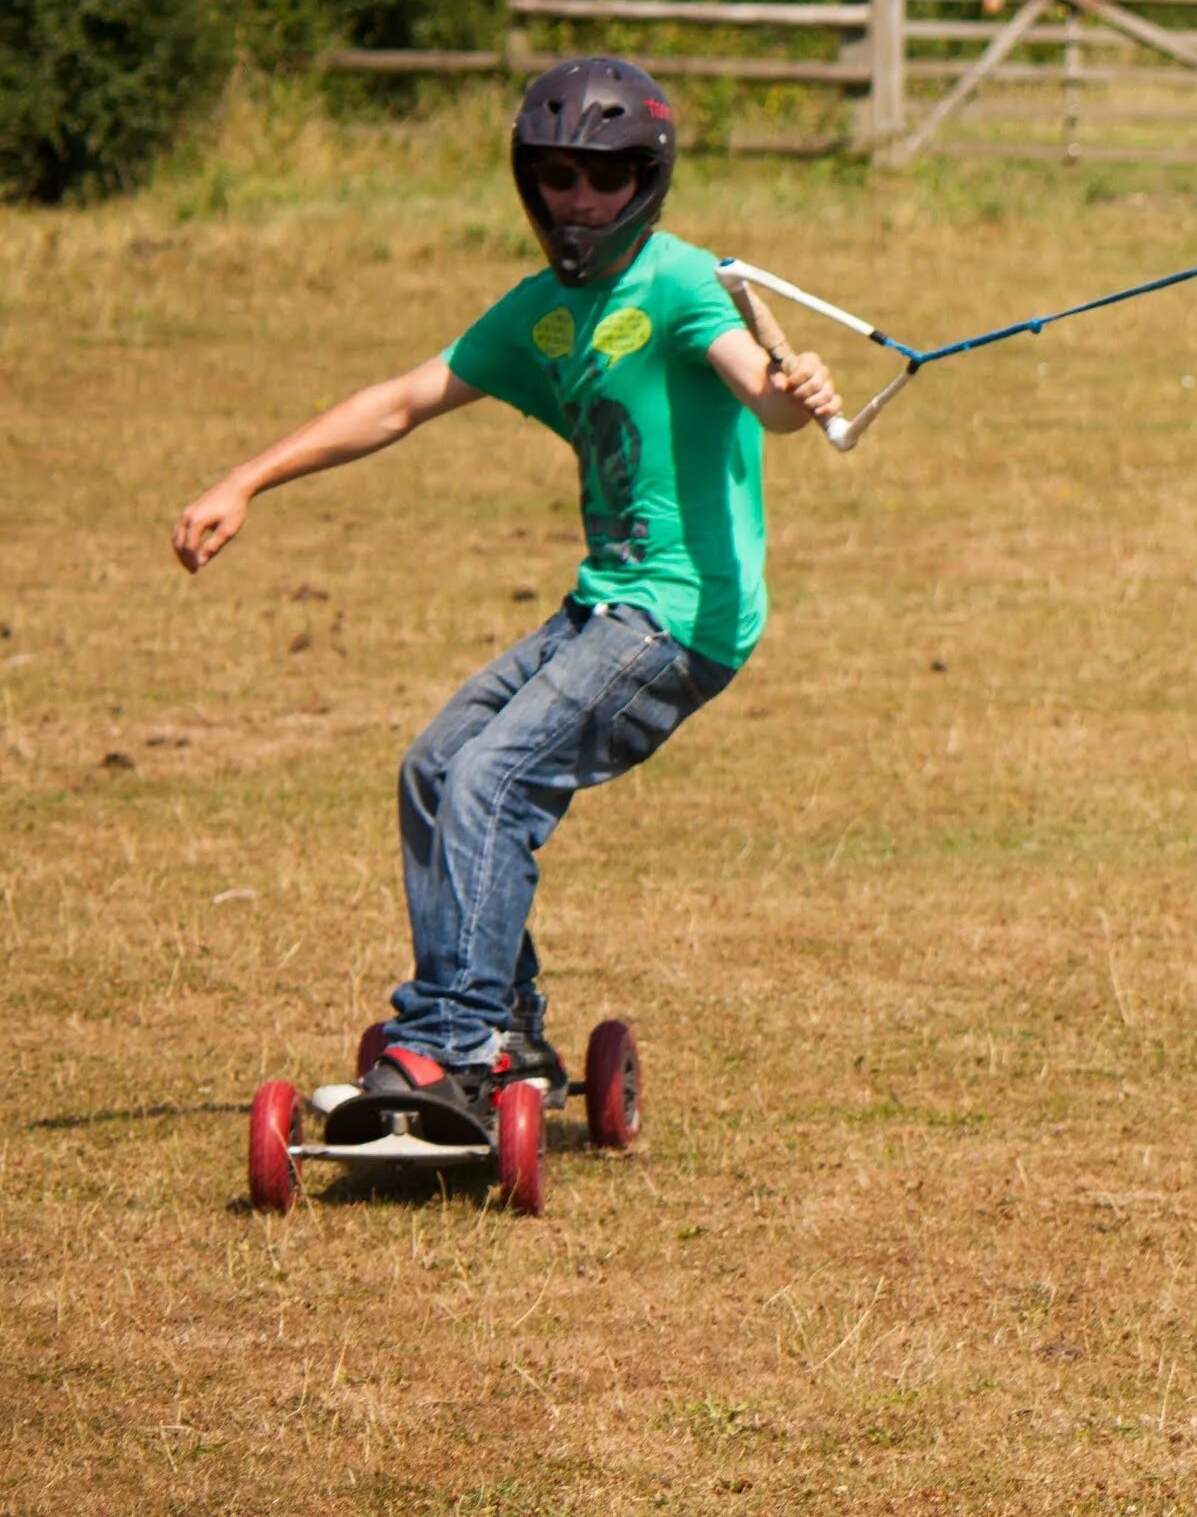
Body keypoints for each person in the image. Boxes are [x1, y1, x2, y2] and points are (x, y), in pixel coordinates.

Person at [172, 59, 843, 1123]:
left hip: (681, 618)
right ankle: (509, 1024)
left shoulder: (677, 283)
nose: (580, 199)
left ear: (648, 178)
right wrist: (246, 478)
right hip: (605, 603)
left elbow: (760, 391)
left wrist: (795, 390)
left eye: (605, 177)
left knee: (493, 776)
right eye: (559, 176)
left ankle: (450, 1039)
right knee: (436, 768)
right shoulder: (540, 315)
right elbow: (400, 401)